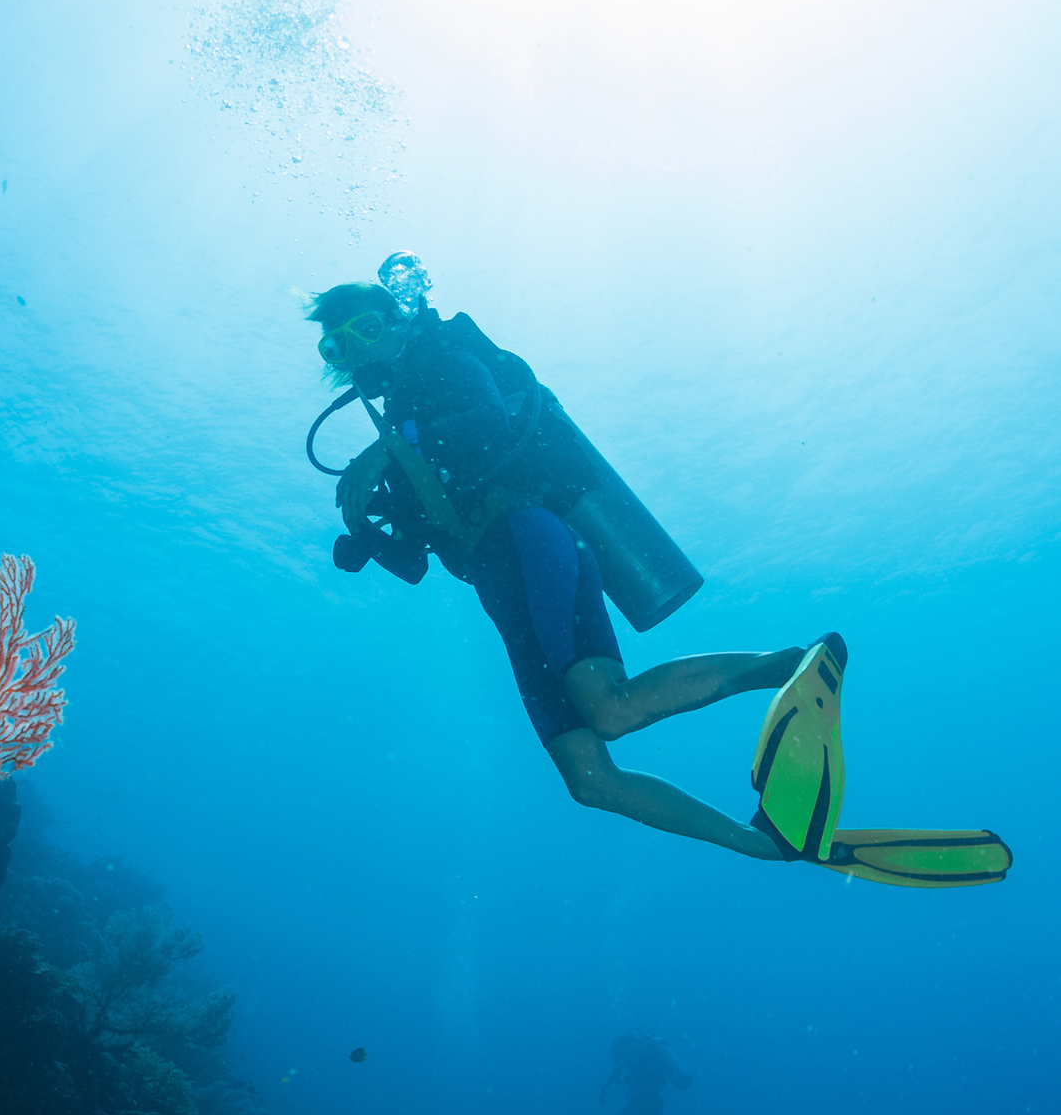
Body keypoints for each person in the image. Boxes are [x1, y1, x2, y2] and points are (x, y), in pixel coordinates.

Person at [308, 261, 807, 860]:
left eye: (366, 330)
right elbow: (416, 561)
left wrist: (386, 452)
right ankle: (765, 844)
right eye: (338, 345)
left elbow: (489, 423)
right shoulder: (398, 423)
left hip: (528, 541)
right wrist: (367, 540)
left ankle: (793, 667)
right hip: (500, 589)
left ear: (396, 320)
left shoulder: (442, 359)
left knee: (610, 710)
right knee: (589, 780)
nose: (358, 353)